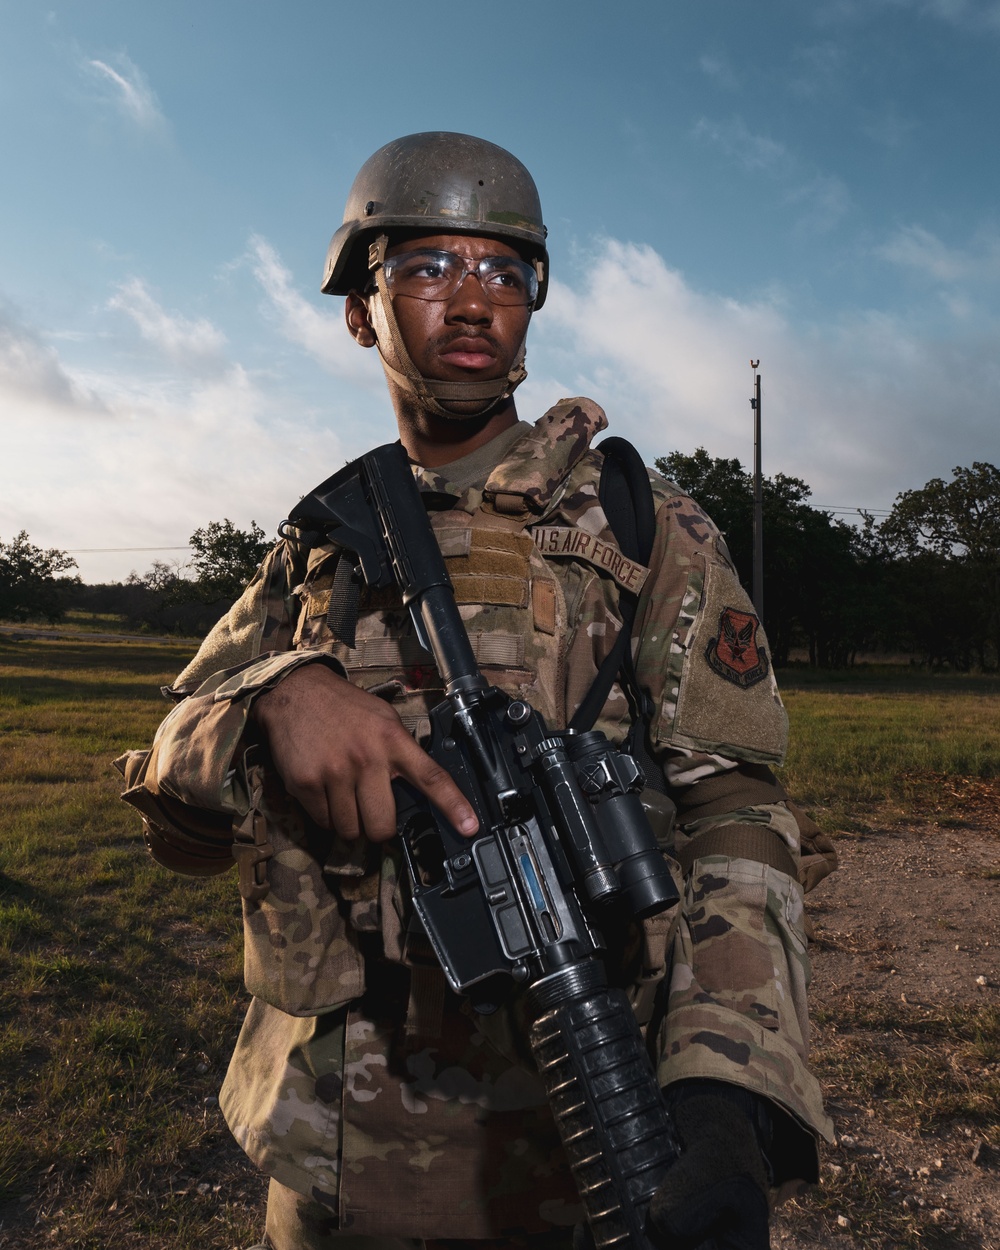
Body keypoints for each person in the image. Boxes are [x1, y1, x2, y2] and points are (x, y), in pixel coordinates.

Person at [118, 132, 833, 1250]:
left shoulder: (641, 528)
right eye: (428, 266)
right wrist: (276, 697)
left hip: (574, 1142)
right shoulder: (319, 549)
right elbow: (174, 801)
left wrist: (724, 1082)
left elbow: (738, 807)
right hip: (334, 1153)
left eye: (505, 271)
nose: (472, 300)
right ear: (361, 312)